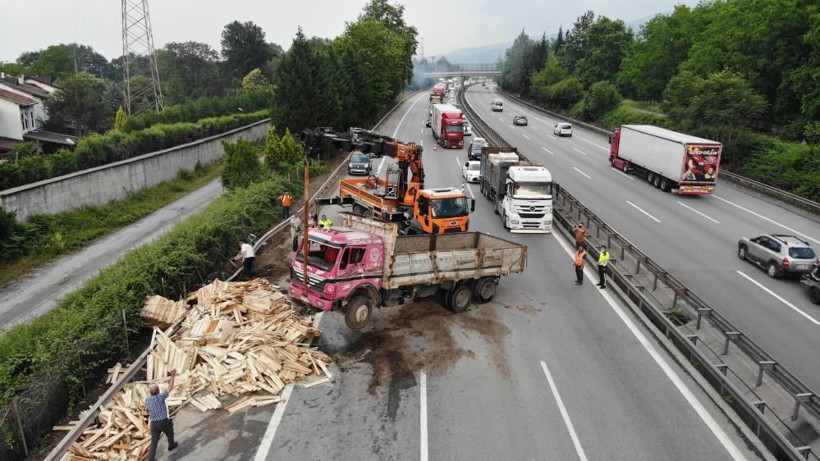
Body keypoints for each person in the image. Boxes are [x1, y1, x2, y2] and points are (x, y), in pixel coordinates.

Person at [146, 369, 178, 461]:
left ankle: (151, 459)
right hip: (163, 421)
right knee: (170, 431)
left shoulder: (147, 400)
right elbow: (170, 388)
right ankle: (171, 445)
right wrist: (172, 376)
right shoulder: (160, 397)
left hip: (153, 424)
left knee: (154, 442)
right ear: (158, 391)